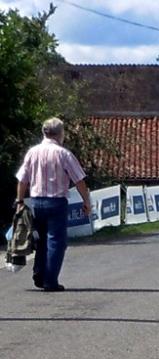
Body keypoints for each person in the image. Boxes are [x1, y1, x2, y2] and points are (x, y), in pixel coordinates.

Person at [15, 117, 91, 291]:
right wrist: (86, 201)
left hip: (36, 201)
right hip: (56, 201)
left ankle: (39, 272)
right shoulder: (63, 154)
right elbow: (79, 179)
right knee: (56, 241)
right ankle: (50, 280)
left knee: (42, 239)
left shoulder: (32, 152)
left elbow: (22, 179)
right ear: (60, 134)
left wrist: (19, 200)